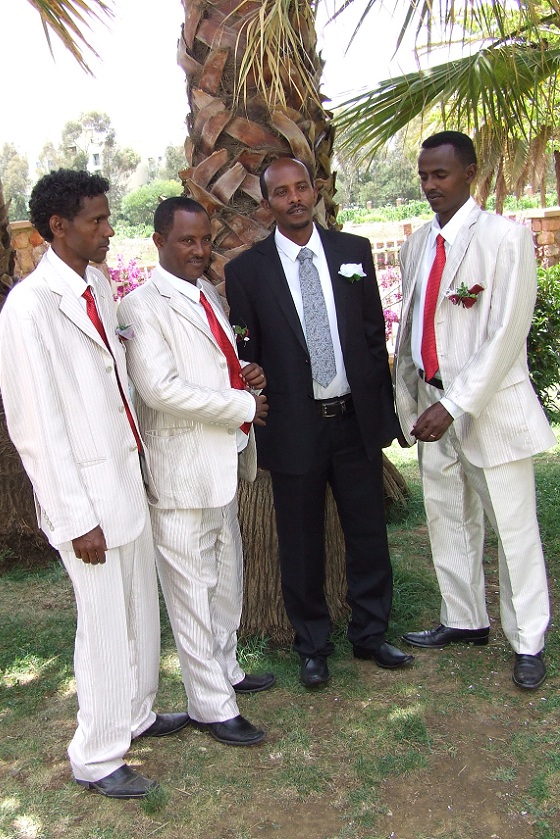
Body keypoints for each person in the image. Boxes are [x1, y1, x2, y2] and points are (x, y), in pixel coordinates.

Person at [0, 170, 190, 800]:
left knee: (138, 610)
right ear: (59, 227)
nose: (109, 230)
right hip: (85, 503)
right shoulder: (30, 308)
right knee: (104, 625)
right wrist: (75, 517)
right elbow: (36, 427)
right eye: (97, 220)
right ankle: (97, 756)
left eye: (108, 218)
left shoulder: (99, 286)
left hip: (125, 481)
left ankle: (136, 714)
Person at [225, 157, 413, 688]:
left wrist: (380, 411)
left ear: (316, 191)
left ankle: (371, 634)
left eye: (302, 187)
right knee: (301, 540)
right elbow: (247, 348)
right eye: (281, 192)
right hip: (294, 427)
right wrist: (250, 378)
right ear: (268, 204)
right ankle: (312, 645)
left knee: (368, 533)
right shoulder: (247, 271)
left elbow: (372, 334)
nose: (295, 198)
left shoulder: (353, 252)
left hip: (353, 420)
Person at [394, 131, 555, 689]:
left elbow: (507, 335)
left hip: (490, 409)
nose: (430, 184)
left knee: (513, 528)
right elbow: (413, 327)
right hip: (432, 403)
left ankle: (528, 639)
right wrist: (412, 396)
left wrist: (455, 404)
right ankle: (463, 618)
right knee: (447, 514)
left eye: (440, 174)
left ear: (469, 173)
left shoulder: (505, 238)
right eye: (423, 175)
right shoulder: (418, 243)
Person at [118, 197, 274, 747]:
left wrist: (243, 372)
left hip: (222, 462)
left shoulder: (206, 291)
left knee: (227, 577)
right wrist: (240, 404)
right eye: (187, 240)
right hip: (180, 472)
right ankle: (210, 705)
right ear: (159, 241)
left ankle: (226, 668)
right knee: (191, 590)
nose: (200, 250)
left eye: (206, 239)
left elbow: (212, 364)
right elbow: (159, 390)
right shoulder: (139, 307)